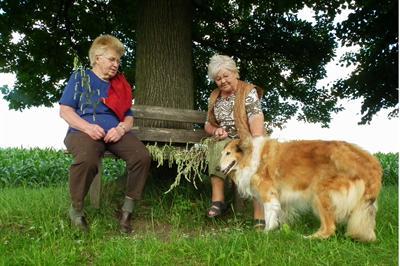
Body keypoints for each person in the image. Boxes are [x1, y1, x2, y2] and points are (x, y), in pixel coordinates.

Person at [59, 35, 151, 234]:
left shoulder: (119, 84)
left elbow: (128, 117)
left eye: (118, 60)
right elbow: (65, 110)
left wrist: (120, 129)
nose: (116, 64)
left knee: (141, 156)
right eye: (112, 59)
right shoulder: (80, 77)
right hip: (82, 131)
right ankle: (76, 210)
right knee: (87, 158)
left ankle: (127, 211)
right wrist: (88, 128)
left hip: (114, 133)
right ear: (97, 57)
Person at [204, 54, 265, 228]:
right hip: (225, 140)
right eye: (218, 78)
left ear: (235, 73)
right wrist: (216, 130)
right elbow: (208, 124)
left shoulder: (248, 90)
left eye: (225, 76)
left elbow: (255, 116)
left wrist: (256, 141)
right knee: (218, 145)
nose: (222, 81)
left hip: (247, 137)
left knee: (255, 163)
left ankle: (259, 216)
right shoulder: (215, 95)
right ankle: (218, 200)